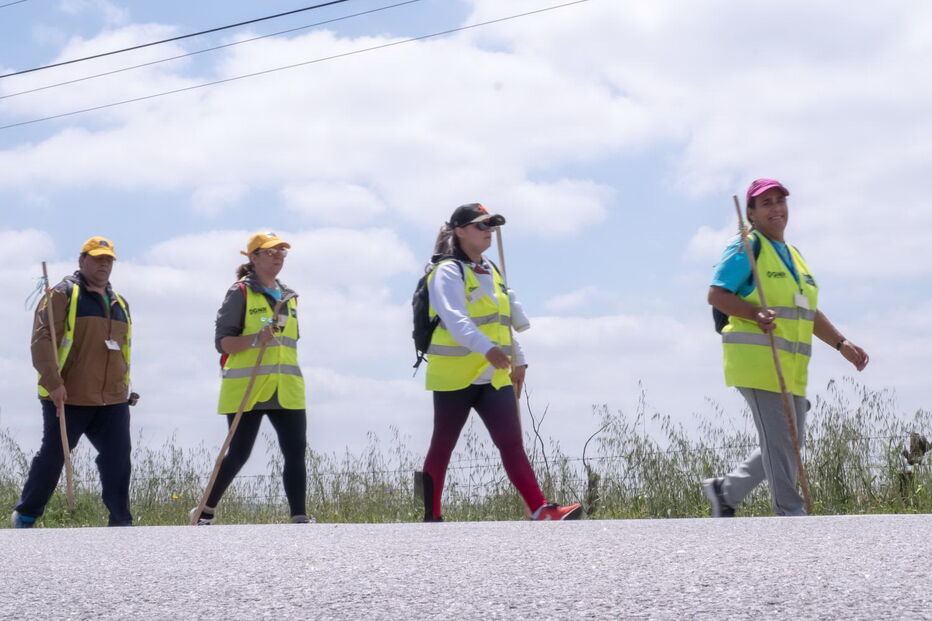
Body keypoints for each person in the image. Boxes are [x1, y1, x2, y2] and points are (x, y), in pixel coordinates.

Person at [703, 179, 869, 517]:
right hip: (757, 361)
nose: (777, 208)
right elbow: (717, 294)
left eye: (780, 201)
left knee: (790, 443)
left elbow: (808, 312)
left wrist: (841, 343)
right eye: (766, 203)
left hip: (791, 367)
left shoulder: (794, 255)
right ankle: (791, 516)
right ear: (750, 213)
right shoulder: (748, 246)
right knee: (781, 444)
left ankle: (726, 491)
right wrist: (753, 312)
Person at [415, 203, 582, 522]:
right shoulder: (447, 271)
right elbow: (453, 318)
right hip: (455, 375)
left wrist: (518, 358)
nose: (489, 231)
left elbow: (500, 321)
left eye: (491, 225)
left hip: (493, 374)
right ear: (460, 231)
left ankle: (541, 509)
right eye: (481, 226)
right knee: (443, 445)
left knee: (511, 442)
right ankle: (432, 516)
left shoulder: (491, 270)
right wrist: (486, 347)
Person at [12, 237, 134, 528]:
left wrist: (124, 388)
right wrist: (53, 383)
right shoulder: (62, 294)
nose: (103, 263)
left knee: (118, 458)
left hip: (112, 399)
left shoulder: (120, 303)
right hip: (68, 396)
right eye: (97, 258)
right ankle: (26, 515)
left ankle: (121, 522)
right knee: (54, 457)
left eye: (108, 259)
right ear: (82, 261)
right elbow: (42, 341)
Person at [190, 232, 311, 525]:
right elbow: (223, 343)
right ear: (253, 258)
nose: (278, 256)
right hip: (247, 387)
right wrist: (256, 339)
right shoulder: (240, 293)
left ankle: (299, 516)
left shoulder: (289, 297)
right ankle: (205, 511)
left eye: (282, 251)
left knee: (295, 451)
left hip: (287, 387)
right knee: (239, 453)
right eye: (270, 252)